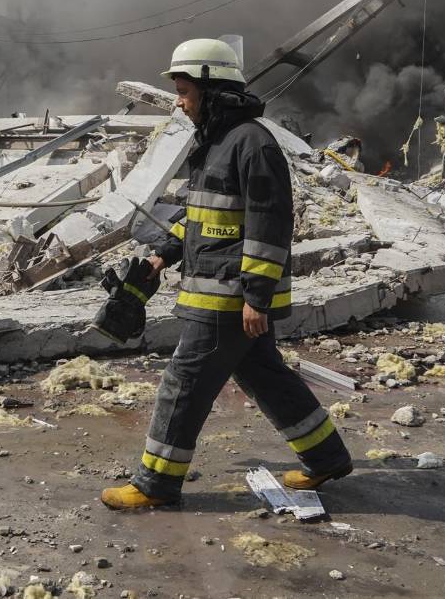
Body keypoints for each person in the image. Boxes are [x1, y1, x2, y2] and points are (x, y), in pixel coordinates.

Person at [101, 38, 353, 510]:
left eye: (184, 91)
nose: (179, 101)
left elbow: (269, 223)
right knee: (265, 376)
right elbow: (202, 215)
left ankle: (156, 484)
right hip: (219, 291)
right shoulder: (216, 143)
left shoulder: (253, 144)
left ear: (212, 90)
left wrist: (256, 296)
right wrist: (160, 257)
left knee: (184, 382)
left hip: (229, 297)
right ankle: (327, 457)